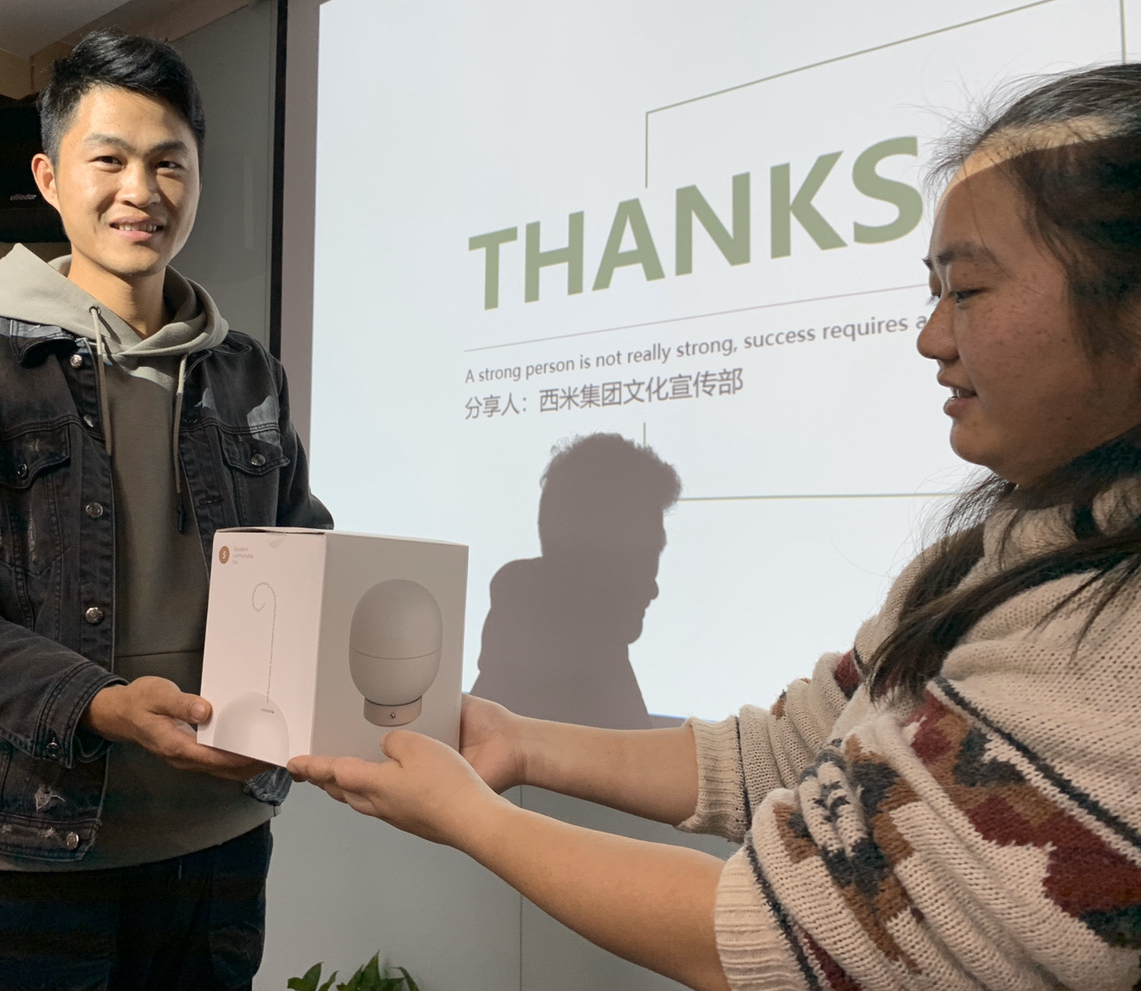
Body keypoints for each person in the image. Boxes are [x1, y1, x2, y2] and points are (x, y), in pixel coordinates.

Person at [289, 63, 1141, 991]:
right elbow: (794, 749)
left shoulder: (1114, 642)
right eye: (933, 292)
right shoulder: (981, 561)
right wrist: (524, 745)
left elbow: (803, 936)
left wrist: (472, 817)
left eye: (966, 290)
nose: (932, 337)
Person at [0, 31, 330, 991]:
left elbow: (304, 553)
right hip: (36, 859)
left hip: (223, 847)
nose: (142, 190)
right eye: (110, 159)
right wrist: (98, 703)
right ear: (48, 177)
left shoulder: (248, 373)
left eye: (170, 163)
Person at [470, 432, 681, 729]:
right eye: (643, 557)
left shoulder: (581, 648)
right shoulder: (577, 678)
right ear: (589, 560)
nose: (653, 588)